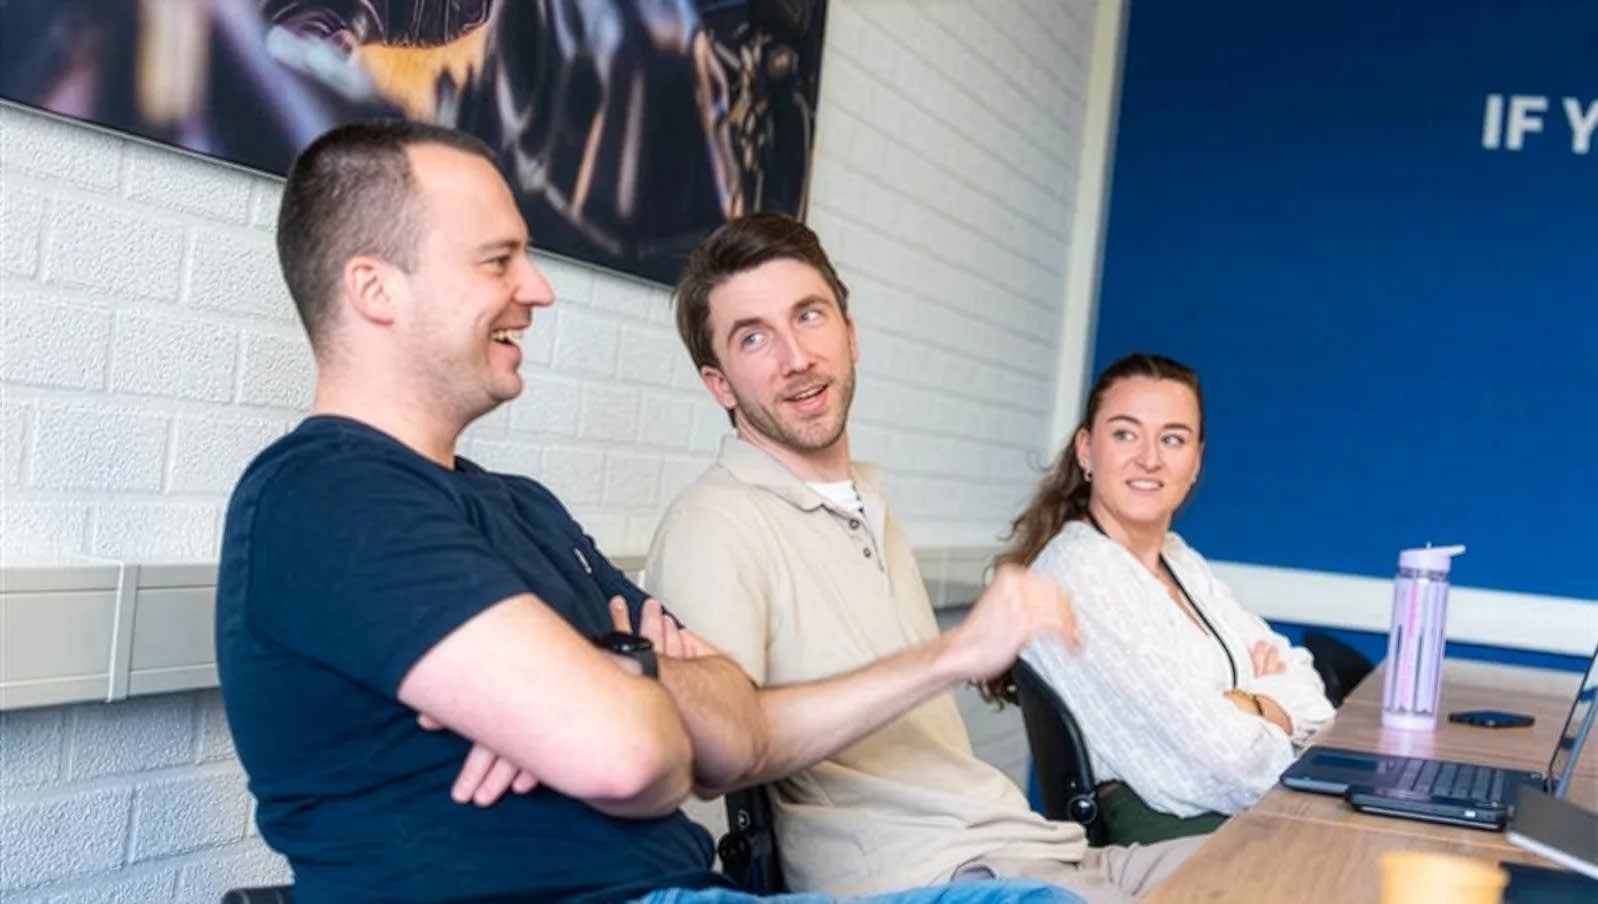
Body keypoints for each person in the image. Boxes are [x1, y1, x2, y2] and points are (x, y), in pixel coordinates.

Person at [215, 121, 1084, 904]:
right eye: (497, 260)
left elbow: (740, 734)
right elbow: (635, 761)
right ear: (376, 290)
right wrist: (626, 696)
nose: (538, 289)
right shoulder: (325, 495)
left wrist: (606, 673)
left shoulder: (525, 509)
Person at [645, 214, 1203, 904]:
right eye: (753, 338)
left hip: (1035, 849)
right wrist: (956, 652)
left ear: (850, 335)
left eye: (809, 316)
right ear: (720, 384)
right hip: (937, 877)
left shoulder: (867, 505)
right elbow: (722, 753)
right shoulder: (712, 523)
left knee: (1291, 864)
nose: (796, 357)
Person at [981, 353, 1336, 847]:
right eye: (1125, 434)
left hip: (1239, 818)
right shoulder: (1082, 576)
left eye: (1172, 439)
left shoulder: (1178, 560)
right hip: (1165, 838)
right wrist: (1264, 704)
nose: (1149, 458)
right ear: (1086, 450)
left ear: (1196, 461)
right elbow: (1230, 764)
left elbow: (1309, 685)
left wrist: (1250, 705)